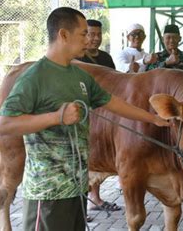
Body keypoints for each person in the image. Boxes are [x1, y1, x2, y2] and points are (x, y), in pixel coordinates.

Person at [0, 7, 169, 231]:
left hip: (77, 189)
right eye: (83, 34)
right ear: (63, 35)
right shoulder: (34, 77)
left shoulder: (79, 76)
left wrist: (152, 119)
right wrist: (56, 116)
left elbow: (112, 102)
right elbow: (4, 125)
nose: (89, 40)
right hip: (47, 193)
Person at [74, 18, 119, 219]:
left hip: (104, 116)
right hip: (81, 116)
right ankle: (80, 206)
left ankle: (95, 199)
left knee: (97, 158)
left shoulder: (106, 59)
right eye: (90, 34)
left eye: (98, 35)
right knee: (81, 161)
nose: (94, 38)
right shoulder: (76, 59)